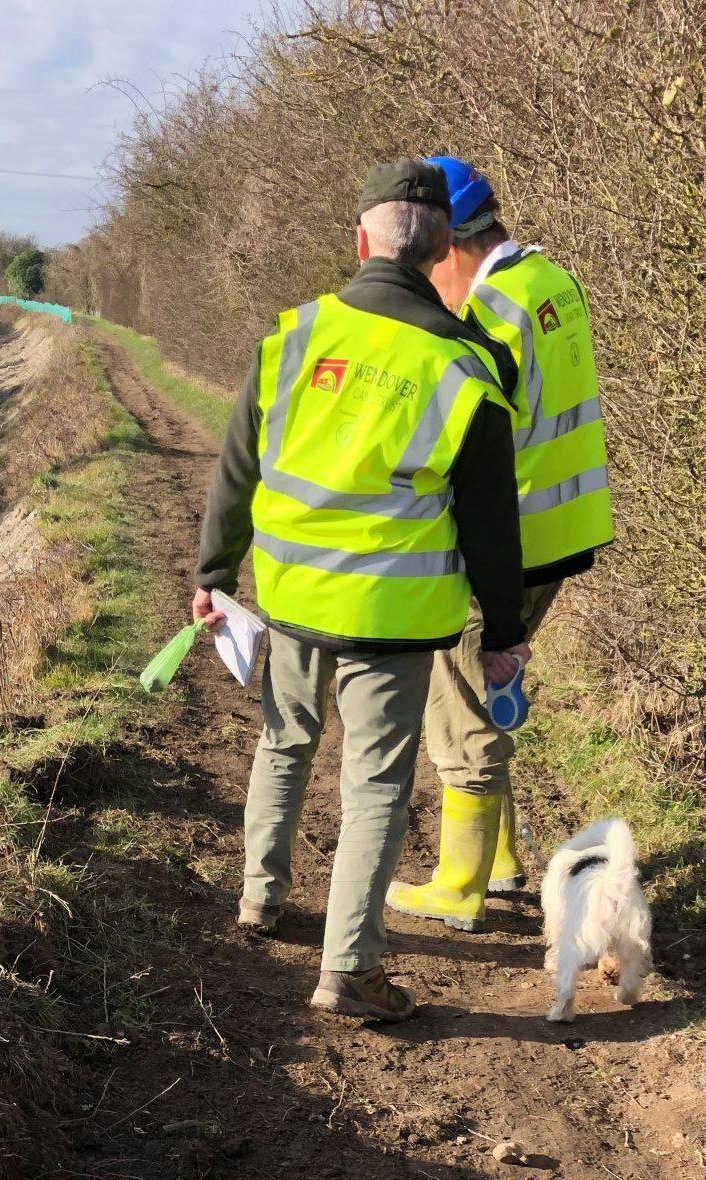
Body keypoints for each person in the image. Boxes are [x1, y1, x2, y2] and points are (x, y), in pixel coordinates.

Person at [191, 159, 528, 1021]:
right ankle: (349, 973)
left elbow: (238, 467)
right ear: (444, 248)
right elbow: (492, 521)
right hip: (393, 613)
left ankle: (260, 901)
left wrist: (214, 573)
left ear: (361, 240)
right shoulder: (468, 364)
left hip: (293, 595)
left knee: (283, 742)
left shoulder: (294, 336)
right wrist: (503, 629)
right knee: (376, 784)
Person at [386, 154, 614, 931]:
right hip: (563, 529)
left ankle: (458, 885)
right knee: (485, 687)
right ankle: (506, 863)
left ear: (451, 243)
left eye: (425, 266)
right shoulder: (551, 284)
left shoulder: (487, 315)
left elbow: (454, 439)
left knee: (458, 703)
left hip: (506, 539)